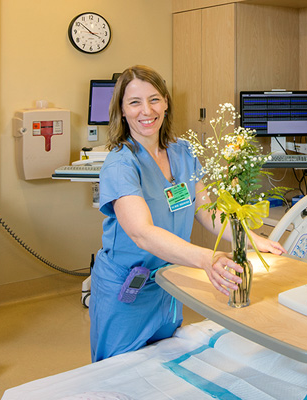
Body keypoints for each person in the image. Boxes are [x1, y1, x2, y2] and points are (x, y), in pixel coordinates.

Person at [90, 65, 285, 362]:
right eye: (135, 102)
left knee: (163, 364)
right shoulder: (121, 165)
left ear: (166, 102)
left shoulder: (182, 151)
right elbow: (141, 232)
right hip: (128, 287)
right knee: (120, 373)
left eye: (154, 99)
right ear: (122, 110)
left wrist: (248, 239)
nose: (147, 110)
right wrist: (207, 259)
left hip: (169, 279)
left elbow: (207, 211)